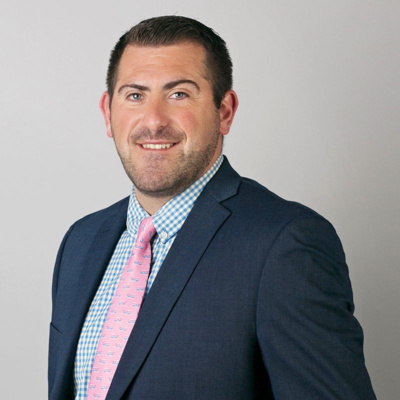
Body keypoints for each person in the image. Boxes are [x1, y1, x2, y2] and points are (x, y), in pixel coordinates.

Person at [49, 15, 376, 400]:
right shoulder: (81, 243)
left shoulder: (283, 245)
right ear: (108, 113)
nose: (153, 120)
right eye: (135, 95)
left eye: (179, 94)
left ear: (224, 111)